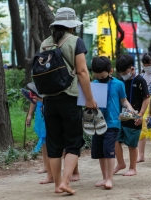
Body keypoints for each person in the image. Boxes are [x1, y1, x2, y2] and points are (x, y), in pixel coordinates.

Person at [41, 7, 97, 194]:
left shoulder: (45, 44)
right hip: (69, 97)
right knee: (73, 142)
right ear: (71, 27)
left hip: (48, 99)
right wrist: (89, 99)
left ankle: (57, 184)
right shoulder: (75, 41)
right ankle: (65, 181)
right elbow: (82, 72)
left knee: (54, 143)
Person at [91, 56, 134, 189]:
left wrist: (131, 109)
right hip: (97, 122)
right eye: (97, 76)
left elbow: (123, 100)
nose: (100, 78)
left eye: (102, 76)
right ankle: (104, 177)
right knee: (99, 152)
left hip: (112, 122)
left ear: (110, 71)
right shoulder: (94, 84)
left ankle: (110, 179)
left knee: (109, 150)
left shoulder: (118, 84)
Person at [114, 54, 150, 176]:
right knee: (115, 139)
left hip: (135, 117)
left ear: (132, 68)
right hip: (121, 116)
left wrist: (140, 115)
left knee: (132, 144)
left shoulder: (140, 80)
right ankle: (120, 163)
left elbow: (146, 99)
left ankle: (133, 168)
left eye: (125, 72)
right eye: (121, 72)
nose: (123, 74)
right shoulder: (119, 82)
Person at [137, 53, 151, 163]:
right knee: (142, 130)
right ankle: (141, 155)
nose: (147, 66)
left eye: (149, 64)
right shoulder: (142, 76)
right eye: (145, 64)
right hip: (144, 105)